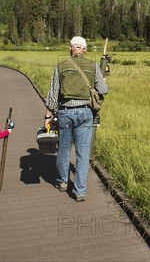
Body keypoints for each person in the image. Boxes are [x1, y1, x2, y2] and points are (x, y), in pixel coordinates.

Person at [44, 36, 108, 202]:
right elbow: (103, 90)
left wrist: (47, 116)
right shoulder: (93, 66)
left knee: (64, 150)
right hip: (86, 114)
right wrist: (102, 81)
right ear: (84, 50)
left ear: (70, 48)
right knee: (83, 153)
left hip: (65, 112)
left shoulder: (61, 66)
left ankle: (62, 182)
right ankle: (79, 191)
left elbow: (53, 94)